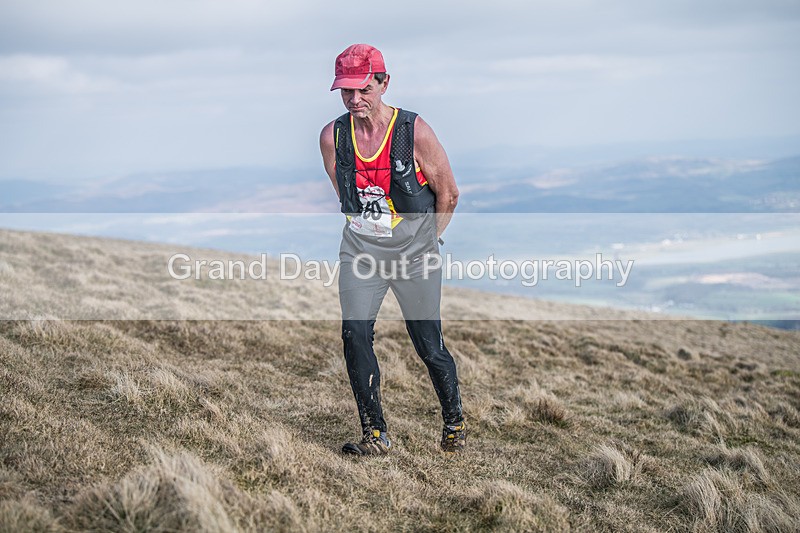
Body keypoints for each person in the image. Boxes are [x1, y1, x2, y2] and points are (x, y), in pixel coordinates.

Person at [319, 44, 466, 455]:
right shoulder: (332, 137)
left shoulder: (413, 131)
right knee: (354, 334)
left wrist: (428, 242)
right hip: (362, 252)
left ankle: (454, 421)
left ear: (384, 84)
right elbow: (345, 194)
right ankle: (375, 434)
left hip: (414, 254)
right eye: (346, 91)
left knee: (428, 344)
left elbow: (449, 194)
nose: (354, 99)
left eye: (364, 89)